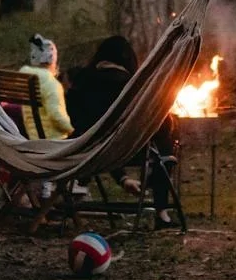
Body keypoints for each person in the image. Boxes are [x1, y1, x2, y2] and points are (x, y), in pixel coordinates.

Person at [66, 34, 178, 225]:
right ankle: (161, 212)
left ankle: (82, 191)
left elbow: (79, 123)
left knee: (107, 139)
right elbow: (163, 127)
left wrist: (122, 177)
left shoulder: (79, 82)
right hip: (125, 151)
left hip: (84, 149)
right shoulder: (133, 86)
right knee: (166, 141)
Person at [16, 34, 74, 140]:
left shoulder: (25, 79)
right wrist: (71, 129)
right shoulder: (51, 84)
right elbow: (56, 116)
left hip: (33, 137)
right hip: (55, 140)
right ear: (52, 59)